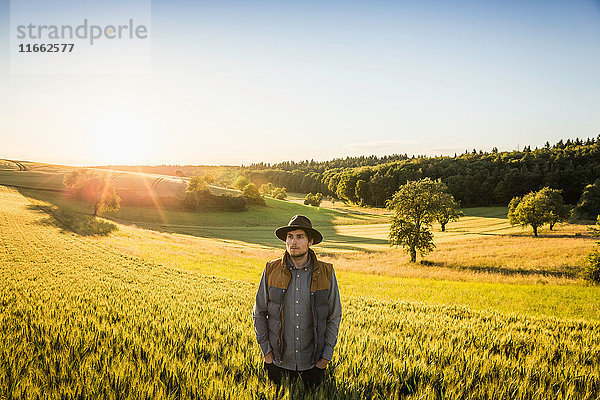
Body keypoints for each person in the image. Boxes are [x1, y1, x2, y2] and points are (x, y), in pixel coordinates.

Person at [252, 215, 342, 387]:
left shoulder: (326, 272)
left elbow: (334, 315)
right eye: (290, 237)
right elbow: (259, 313)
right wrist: (267, 356)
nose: (293, 242)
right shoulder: (271, 270)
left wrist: (324, 360)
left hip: (313, 366)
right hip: (277, 364)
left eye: (300, 237)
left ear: (311, 241)